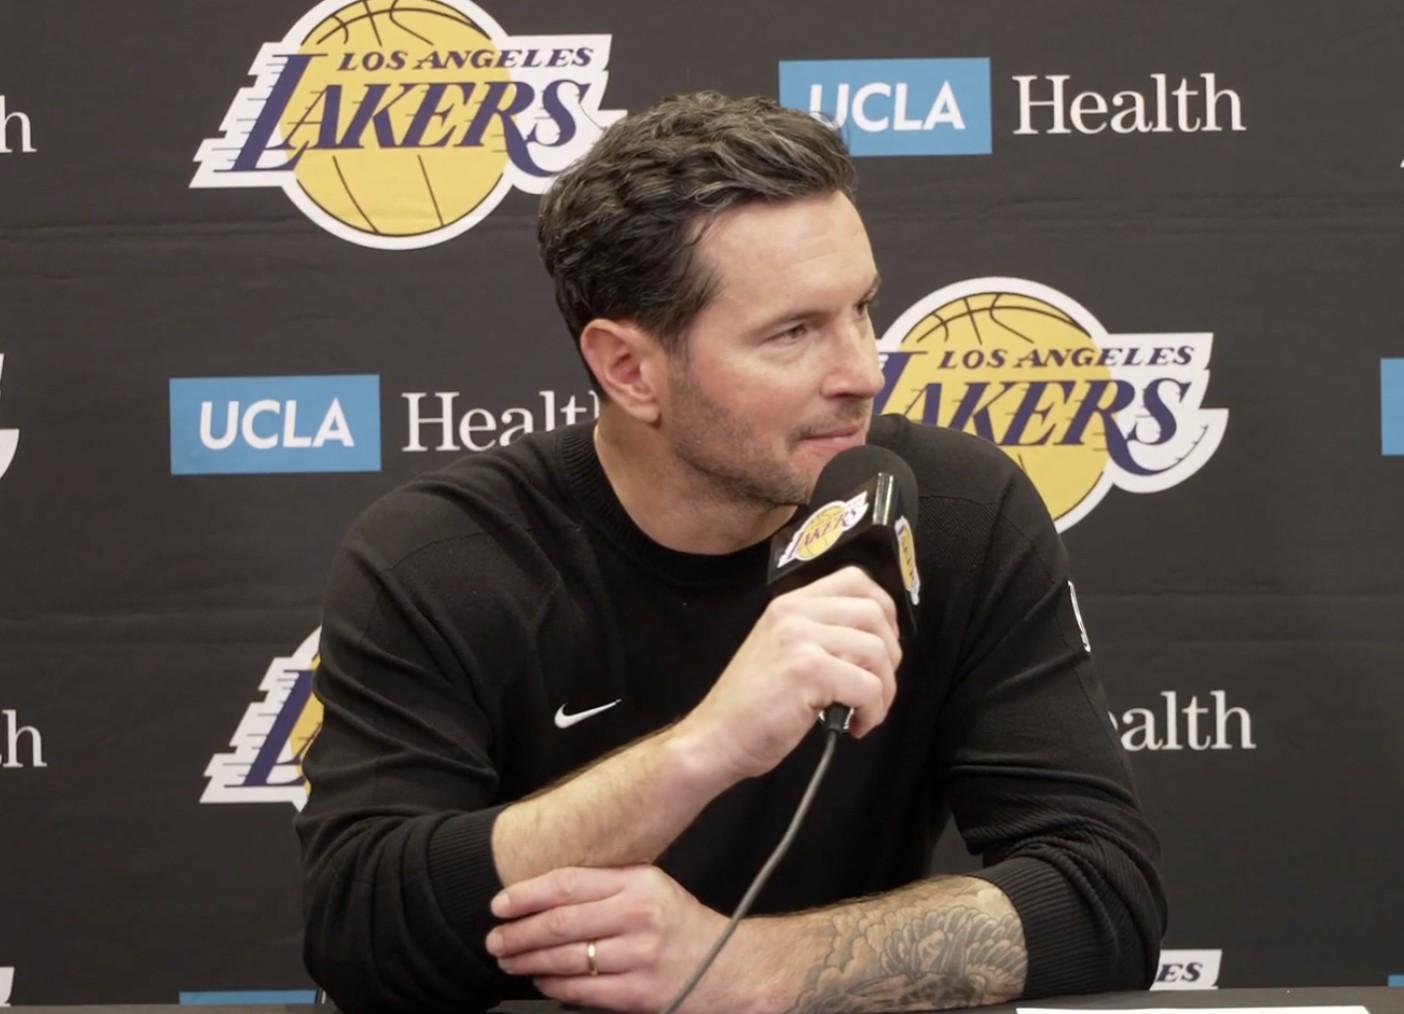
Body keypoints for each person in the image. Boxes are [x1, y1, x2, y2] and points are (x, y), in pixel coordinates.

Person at [295, 91, 1167, 1014]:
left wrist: (751, 966)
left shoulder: (955, 514)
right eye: (793, 333)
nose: (864, 372)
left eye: (862, 309)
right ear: (629, 369)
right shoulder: (445, 557)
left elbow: (1102, 896)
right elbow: (361, 931)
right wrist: (701, 752)